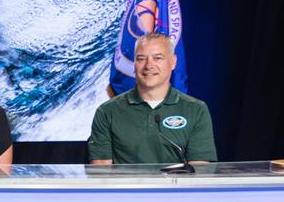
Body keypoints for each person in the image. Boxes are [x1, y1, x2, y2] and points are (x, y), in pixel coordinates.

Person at [89, 32, 216, 164]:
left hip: (175, 185)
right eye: (141, 58)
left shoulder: (196, 110)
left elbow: (199, 174)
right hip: (126, 185)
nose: (149, 65)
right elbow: (101, 173)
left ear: (173, 62)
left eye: (157, 58)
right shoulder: (107, 112)